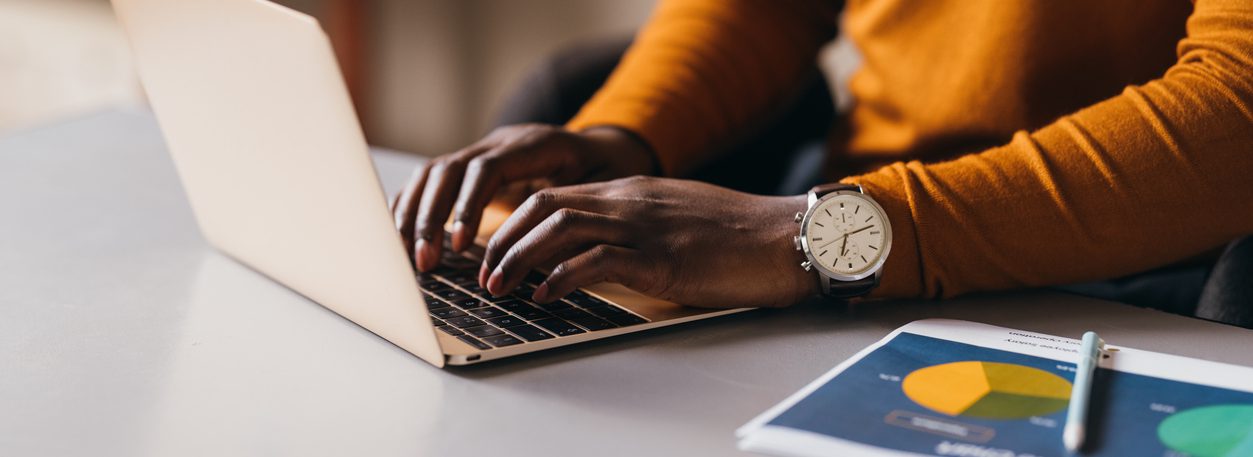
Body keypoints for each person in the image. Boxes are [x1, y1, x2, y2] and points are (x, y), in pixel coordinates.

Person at [392, 0, 1253, 317]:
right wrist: (622, 136)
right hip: (840, 215)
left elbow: (1238, 104)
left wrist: (811, 238)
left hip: (1136, 268)